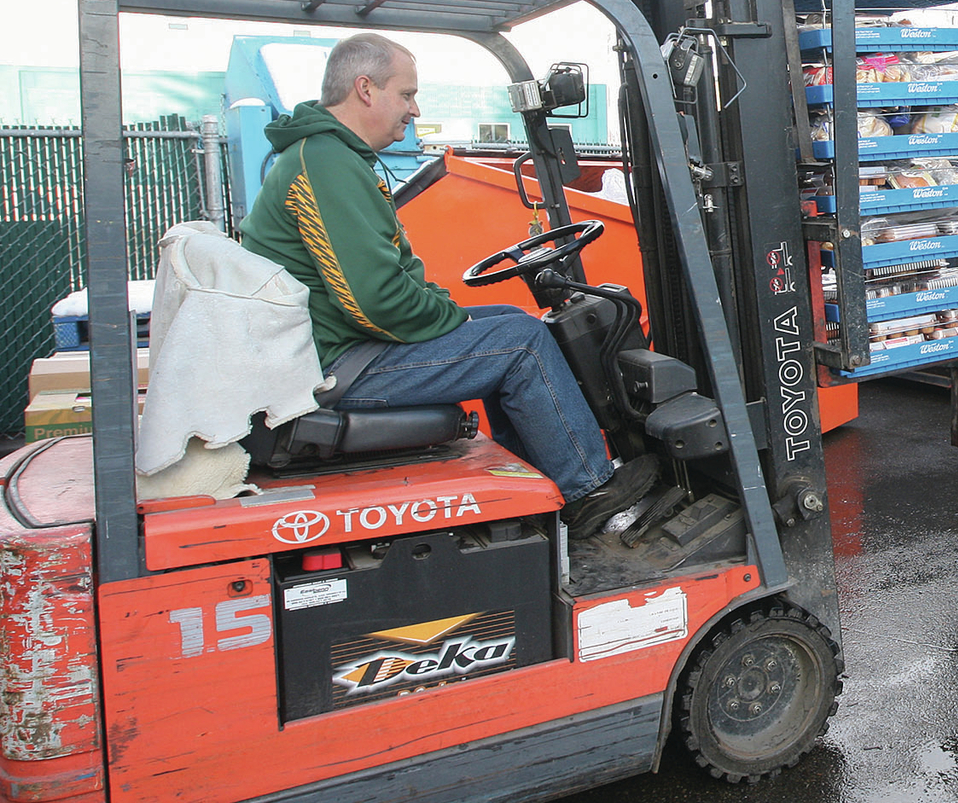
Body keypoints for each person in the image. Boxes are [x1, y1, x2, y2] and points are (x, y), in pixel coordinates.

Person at [239, 33, 657, 537]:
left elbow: (384, 283)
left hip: (340, 348)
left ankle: (542, 481)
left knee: (511, 320)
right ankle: (591, 495)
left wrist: (443, 309)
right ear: (366, 89)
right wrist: (448, 314)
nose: (414, 110)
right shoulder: (325, 163)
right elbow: (374, 302)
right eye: (407, 94)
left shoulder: (329, 156)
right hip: (335, 364)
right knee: (521, 344)